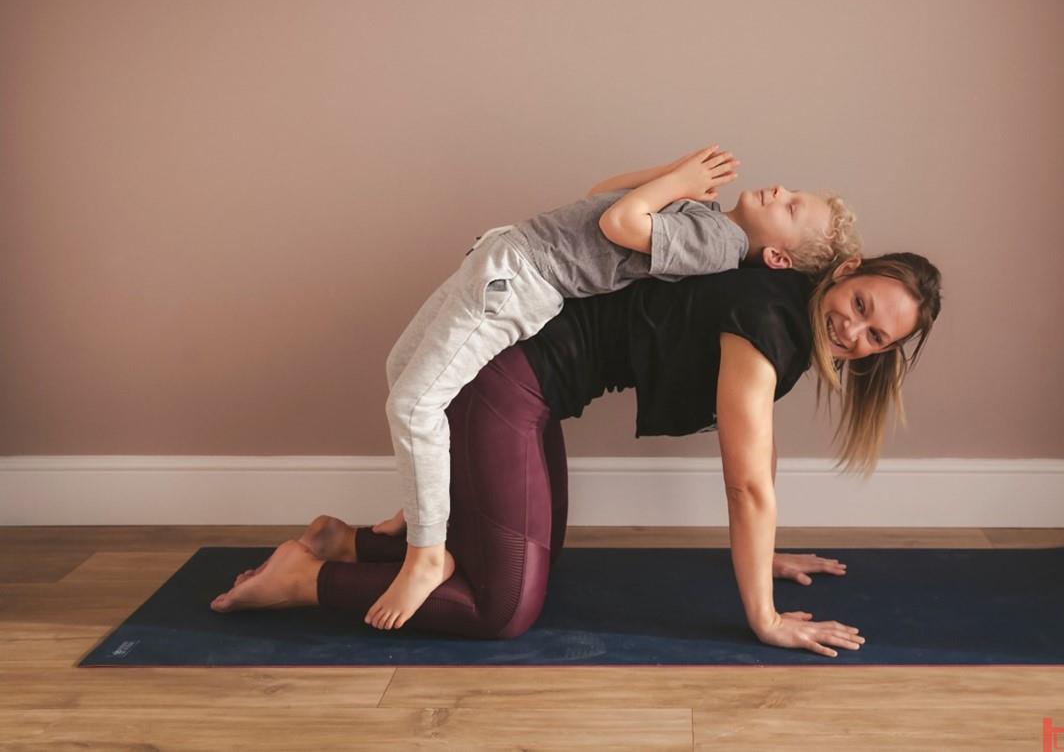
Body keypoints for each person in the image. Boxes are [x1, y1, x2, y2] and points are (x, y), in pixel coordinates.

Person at [211, 250, 942, 658]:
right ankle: (307, 580)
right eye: (862, 306)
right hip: (500, 378)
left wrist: (768, 552)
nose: (856, 333)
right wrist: (765, 616)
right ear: (847, 271)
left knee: (526, 567)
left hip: (525, 388)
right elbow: (747, 484)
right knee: (500, 609)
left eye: (877, 338)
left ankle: (352, 545)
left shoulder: (788, 303)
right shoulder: (772, 324)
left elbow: (761, 455)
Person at [367, 147, 863, 631]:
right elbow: (601, 197)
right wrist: (675, 175)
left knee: (415, 405)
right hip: (506, 255)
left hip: (518, 279)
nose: (781, 191)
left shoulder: (718, 245)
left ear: (777, 255)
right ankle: (420, 504)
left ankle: (426, 555)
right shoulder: (710, 218)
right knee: (402, 369)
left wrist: (677, 178)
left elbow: (618, 224)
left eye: (791, 206)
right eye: (793, 191)